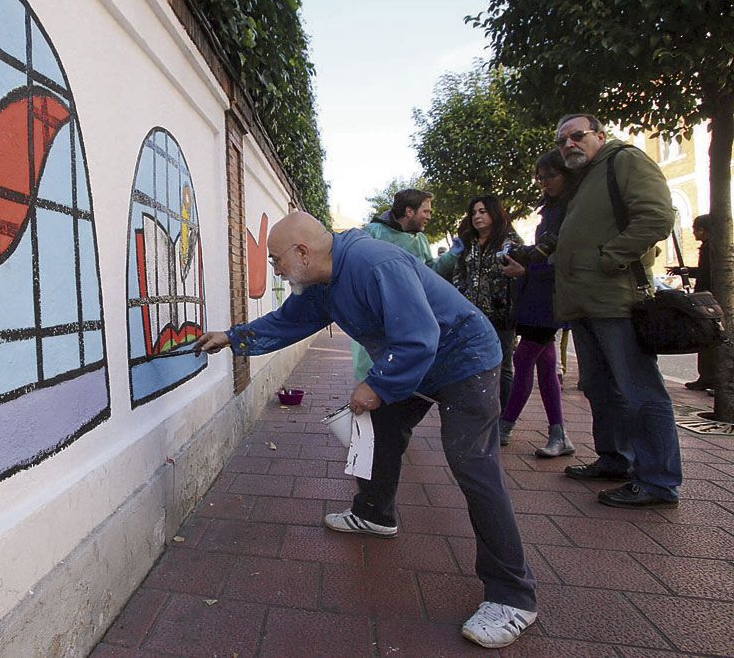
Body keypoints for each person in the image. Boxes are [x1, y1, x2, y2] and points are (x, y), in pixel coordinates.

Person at [195, 212, 538, 649]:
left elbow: (419, 337)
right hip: (415, 362)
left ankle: (514, 596)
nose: (276, 268)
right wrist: (232, 337)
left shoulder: (376, 264)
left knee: (474, 466)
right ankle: (375, 513)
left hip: (462, 358)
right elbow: (287, 322)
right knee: (378, 428)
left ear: (302, 252)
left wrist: (377, 385)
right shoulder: (321, 280)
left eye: (277, 259)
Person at [553, 113, 682, 509]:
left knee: (640, 390)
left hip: (616, 300)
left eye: (577, 136)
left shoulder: (624, 160)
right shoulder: (587, 177)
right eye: (562, 141)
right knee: (600, 387)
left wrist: (612, 258)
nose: (569, 145)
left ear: (599, 135)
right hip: (584, 303)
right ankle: (615, 459)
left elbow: (657, 216)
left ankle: (658, 481)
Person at [498, 152, 574, 457]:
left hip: (549, 299)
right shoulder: (552, 209)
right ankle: (559, 434)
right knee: (545, 367)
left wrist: (525, 268)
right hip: (538, 298)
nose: (544, 182)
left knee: (524, 361)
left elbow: (563, 258)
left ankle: (505, 425)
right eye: (540, 177)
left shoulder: (570, 208)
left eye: (550, 175)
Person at [439, 196, 522, 428]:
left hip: (501, 316)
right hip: (472, 317)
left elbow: (517, 277)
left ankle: (502, 420)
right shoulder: (468, 243)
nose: (477, 216)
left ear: (495, 213)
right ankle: (475, 413)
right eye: (474, 212)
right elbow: (458, 274)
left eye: (483, 211)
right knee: (470, 363)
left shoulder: (511, 242)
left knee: (503, 366)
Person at [351, 189, 441, 382]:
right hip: (376, 316)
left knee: (405, 374)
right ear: (409, 211)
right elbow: (357, 268)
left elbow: (432, 272)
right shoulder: (373, 232)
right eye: (425, 211)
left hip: (411, 316)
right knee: (370, 374)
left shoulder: (421, 239)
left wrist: (452, 257)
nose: (429, 216)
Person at [667, 213, 734, 392]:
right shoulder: (723, 248)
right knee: (710, 340)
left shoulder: (716, 249)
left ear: (703, 230)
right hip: (719, 302)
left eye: (695, 230)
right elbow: (706, 271)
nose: (693, 233)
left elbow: (711, 276)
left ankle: (715, 380)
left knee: (712, 340)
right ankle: (707, 378)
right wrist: (684, 271)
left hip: (713, 303)